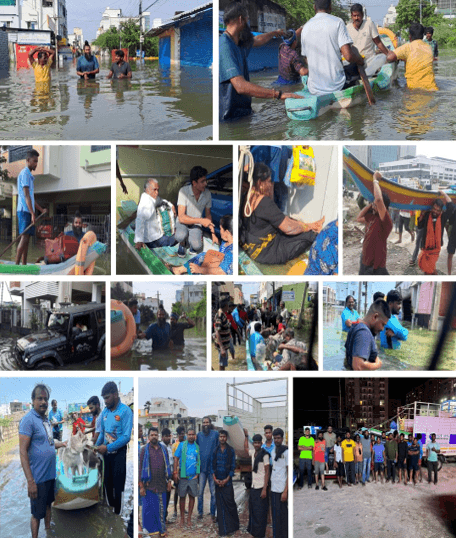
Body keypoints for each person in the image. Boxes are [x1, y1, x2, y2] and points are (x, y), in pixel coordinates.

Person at [219, 2, 300, 121]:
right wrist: (278, 94)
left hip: (243, 112)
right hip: (230, 117)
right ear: (241, 19)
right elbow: (240, 86)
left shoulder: (239, 41)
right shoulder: (225, 45)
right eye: (247, 19)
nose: (248, 22)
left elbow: (257, 40)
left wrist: (274, 33)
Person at [241, 163, 324, 265]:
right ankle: (315, 228)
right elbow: (289, 229)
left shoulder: (246, 195)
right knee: (310, 235)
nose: (270, 184)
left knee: (289, 220)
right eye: (269, 181)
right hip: (268, 253)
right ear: (259, 183)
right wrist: (308, 227)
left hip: (253, 248)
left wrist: (307, 225)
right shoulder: (263, 202)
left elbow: (278, 217)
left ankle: (313, 225)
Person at [19, 384, 67, 538]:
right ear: (32, 400)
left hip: (50, 476)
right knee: (36, 514)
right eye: (39, 398)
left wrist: (64, 444)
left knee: (48, 506)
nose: (43, 402)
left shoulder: (46, 420)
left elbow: (50, 443)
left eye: (45, 399)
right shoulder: (28, 420)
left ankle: (48, 532)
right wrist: (30, 481)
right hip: (38, 478)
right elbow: (22, 452)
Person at [300, 0, 365, 96]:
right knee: (354, 67)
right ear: (330, 7)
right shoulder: (338, 22)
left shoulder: (305, 27)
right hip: (336, 86)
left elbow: (307, 59)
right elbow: (348, 56)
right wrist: (360, 61)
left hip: (313, 88)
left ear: (314, 7)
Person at [95, 381, 133, 515]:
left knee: (118, 489)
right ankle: (111, 515)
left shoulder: (126, 411)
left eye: (107, 398)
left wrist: (108, 447)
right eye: (103, 398)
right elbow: (102, 434)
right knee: (107, 485)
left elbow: (126, 437)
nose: (104, 401)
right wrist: (96, 446)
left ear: (115, 395)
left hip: (119, 455)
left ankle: (118, 517)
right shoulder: (105, 412)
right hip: (106, 457)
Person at [169, 214, 234, 275]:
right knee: (203, 256)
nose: (220, 231)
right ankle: (181, 269)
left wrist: (200, 270)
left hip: (219, 273)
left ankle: (181, 270)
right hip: (217, 264)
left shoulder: (232, 252)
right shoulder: (226, 241)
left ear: (227, 232)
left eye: (220, 229)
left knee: (201, 262)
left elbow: (222, 272)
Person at [175, 166, 217, 257]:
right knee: (180, 235)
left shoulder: (207, 194)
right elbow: (181, 217)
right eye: (202, 181)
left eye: (205, 180)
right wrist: (201, 221)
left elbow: (208, 215)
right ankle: (182, 243)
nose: (205, 184)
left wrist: (213, 233)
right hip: (183, 223)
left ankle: (192, 240)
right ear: (194, 183)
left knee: (197, 246)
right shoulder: (183, 191)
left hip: (196, 224)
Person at [356, 173, 393, 275]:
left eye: (376, 206)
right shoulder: (372, 217)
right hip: (364, 260)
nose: (374, 207)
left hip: (375, 266)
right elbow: (358, 218)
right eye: (374, 205)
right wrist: (371, 204)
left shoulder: (386, 222)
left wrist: (375, 179)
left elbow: (379, 200)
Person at [16, 149, 47, 266]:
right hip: (24, 211)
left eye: (37, 162)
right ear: (28, 160)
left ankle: (23, 265)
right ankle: (16, 266)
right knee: (24, 239)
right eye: (34, 161)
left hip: (28, 211)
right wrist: (33, 214)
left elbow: (32, 199)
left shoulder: (29, 175)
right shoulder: (24, 174)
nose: (36, 164)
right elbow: (26, 195)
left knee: (27, 240)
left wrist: (40, 210)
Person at [139, 427, 172, 536]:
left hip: (161, 484)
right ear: (148, 437)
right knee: (148, 511)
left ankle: (161, 531)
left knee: (161, 510)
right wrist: (141, 486)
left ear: (158, 437)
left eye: (156, 435)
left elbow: (167, 467)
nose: (154, 437)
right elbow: (140, 468)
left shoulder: (164, 449)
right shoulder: (144, 450)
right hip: (149, 485)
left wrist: (169, 481)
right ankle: (149, 533)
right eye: (152, 435)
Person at [386, 23, 438, 91]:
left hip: (414, 89)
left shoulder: (407, 47)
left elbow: (390, 58)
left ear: (410, 36)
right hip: (432, 89)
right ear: (422, 36)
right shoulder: (429, 47)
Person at [344, 299, 391, 370]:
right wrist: (378, 364)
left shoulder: (356, 326)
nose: (382, 329)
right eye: (383, 324)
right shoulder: (364, 333)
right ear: (375, 317)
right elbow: (358, 366)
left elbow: (348, 358)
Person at [134, 178, 177, 251]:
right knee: (178, 237)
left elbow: (160, 200)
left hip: (155, 236)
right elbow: (140, 220)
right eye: (154, 190)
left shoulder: (149, 197)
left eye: (158, 190)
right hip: (153, 240)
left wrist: (171, 205)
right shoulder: (146, 203)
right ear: (147, 189)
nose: (157, 192)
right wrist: (139, 241)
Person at [417, 191, 454, 275]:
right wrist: (421, 215)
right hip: (425, 248)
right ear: (431, 208)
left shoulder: (443, 218)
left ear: (441, 210)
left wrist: (444, 194)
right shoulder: (427, 215)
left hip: (435, 250)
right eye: (434, 208)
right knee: (430, 269)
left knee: (428, 271)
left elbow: (451, 206)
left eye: (438, 210)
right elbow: (419, 226)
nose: (435, 211)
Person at [211, 429, 239, 536]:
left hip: (227, 482)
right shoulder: (215, 450)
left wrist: (226, 479)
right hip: (217, 482)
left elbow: (233, 467)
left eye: (224, 436)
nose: (222, 438)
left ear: (226, 438)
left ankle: (234, 526)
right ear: (218, 438)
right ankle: (223, 530)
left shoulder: (231, 450)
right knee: (220, 505)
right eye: (220, 436)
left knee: (230, 503)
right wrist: (215, 479)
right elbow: (212, 467)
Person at [173, 427, 200, 527]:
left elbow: (198, 461)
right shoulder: (182, 445)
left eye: (193, 434)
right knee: (182, 497)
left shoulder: (197, 447)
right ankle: (182, 519)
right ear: (187, 435)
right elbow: (176, 458)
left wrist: (197, 474)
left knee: (192, 497)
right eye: (189, 434)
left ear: (195, 436)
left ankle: (189, 519)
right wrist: (175, 472)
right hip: (183, 476)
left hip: (193, 477)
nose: (191, 436)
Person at [245, 431, 270, 537]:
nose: (256, 445)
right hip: (254, 486)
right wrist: (246, 436)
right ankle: (255, 532)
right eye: (255, 443)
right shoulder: (253, 453)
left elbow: (267, 472)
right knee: (254, 511)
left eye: (258, 443)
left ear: (261, 443)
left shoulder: (265, 455)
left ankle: (261, 534)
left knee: (261, 513)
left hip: (261, 487)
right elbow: (246, 448)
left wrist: (265, 489)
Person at [196, 417, 219, 522]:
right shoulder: (199, 435)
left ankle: (213, 513)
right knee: (200, 492)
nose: (205, 424)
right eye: (204, 422)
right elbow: (195, 450)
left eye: (207, 422)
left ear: (210, 423)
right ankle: (200, 513)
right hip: (202, 469)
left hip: (212, 469)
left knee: (213, 493)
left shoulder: (215, 434)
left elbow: (219, 448)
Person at [270, 429, 288, 538]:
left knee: (283, 516)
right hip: (273, 488)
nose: (276, 440)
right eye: (275, 438)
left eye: (278, 438)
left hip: (282, 489)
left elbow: (289, 472)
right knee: (275, 516)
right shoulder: (273, 452)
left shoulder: (286, 452)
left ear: (282, 438)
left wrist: (285, 491)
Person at [171, 426, 186, 520]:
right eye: (180, 434)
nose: (181, 435)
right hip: (178, 471)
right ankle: (175, 510)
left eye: (183, 433)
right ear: (178, 435)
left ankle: (183, 509)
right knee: (176, 491)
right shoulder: (175, 446)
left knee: (184, 491)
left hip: (185, 471)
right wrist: (175, 472)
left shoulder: (187, 444)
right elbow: (174, 460)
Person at [214, 298, 232, 371]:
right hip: (223, 346)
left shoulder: (222, 314)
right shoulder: (220, 315)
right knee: (222, 365)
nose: (229, 307)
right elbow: (217, 331)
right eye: (228, 305)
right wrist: (222, 348)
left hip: (224, 345)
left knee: (223, 364)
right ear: (225, 305)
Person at [160, 428, 174, 522]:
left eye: (168, 436)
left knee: (167, 498)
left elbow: (171, 463)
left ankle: (164, 518)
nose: (167, 438)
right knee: (162, 500)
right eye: (165, 436)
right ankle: (161, 520)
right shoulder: (160, 447)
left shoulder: (169, 447)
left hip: (169, 477)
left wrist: (170, 479)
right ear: (162, 437)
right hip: (161, 478)